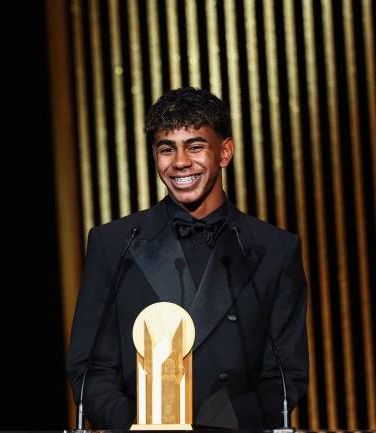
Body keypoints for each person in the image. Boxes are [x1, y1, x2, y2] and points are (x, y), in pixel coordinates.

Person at [66, 87, 308, 429]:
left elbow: (286, 375)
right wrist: (137, 423)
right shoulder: (113, 244)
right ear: (155, 156)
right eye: (167, 149)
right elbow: (89, 367)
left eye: (195, 146)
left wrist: (219, 423)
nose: (180, 162)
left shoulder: (275, 250)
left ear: (224, 153)